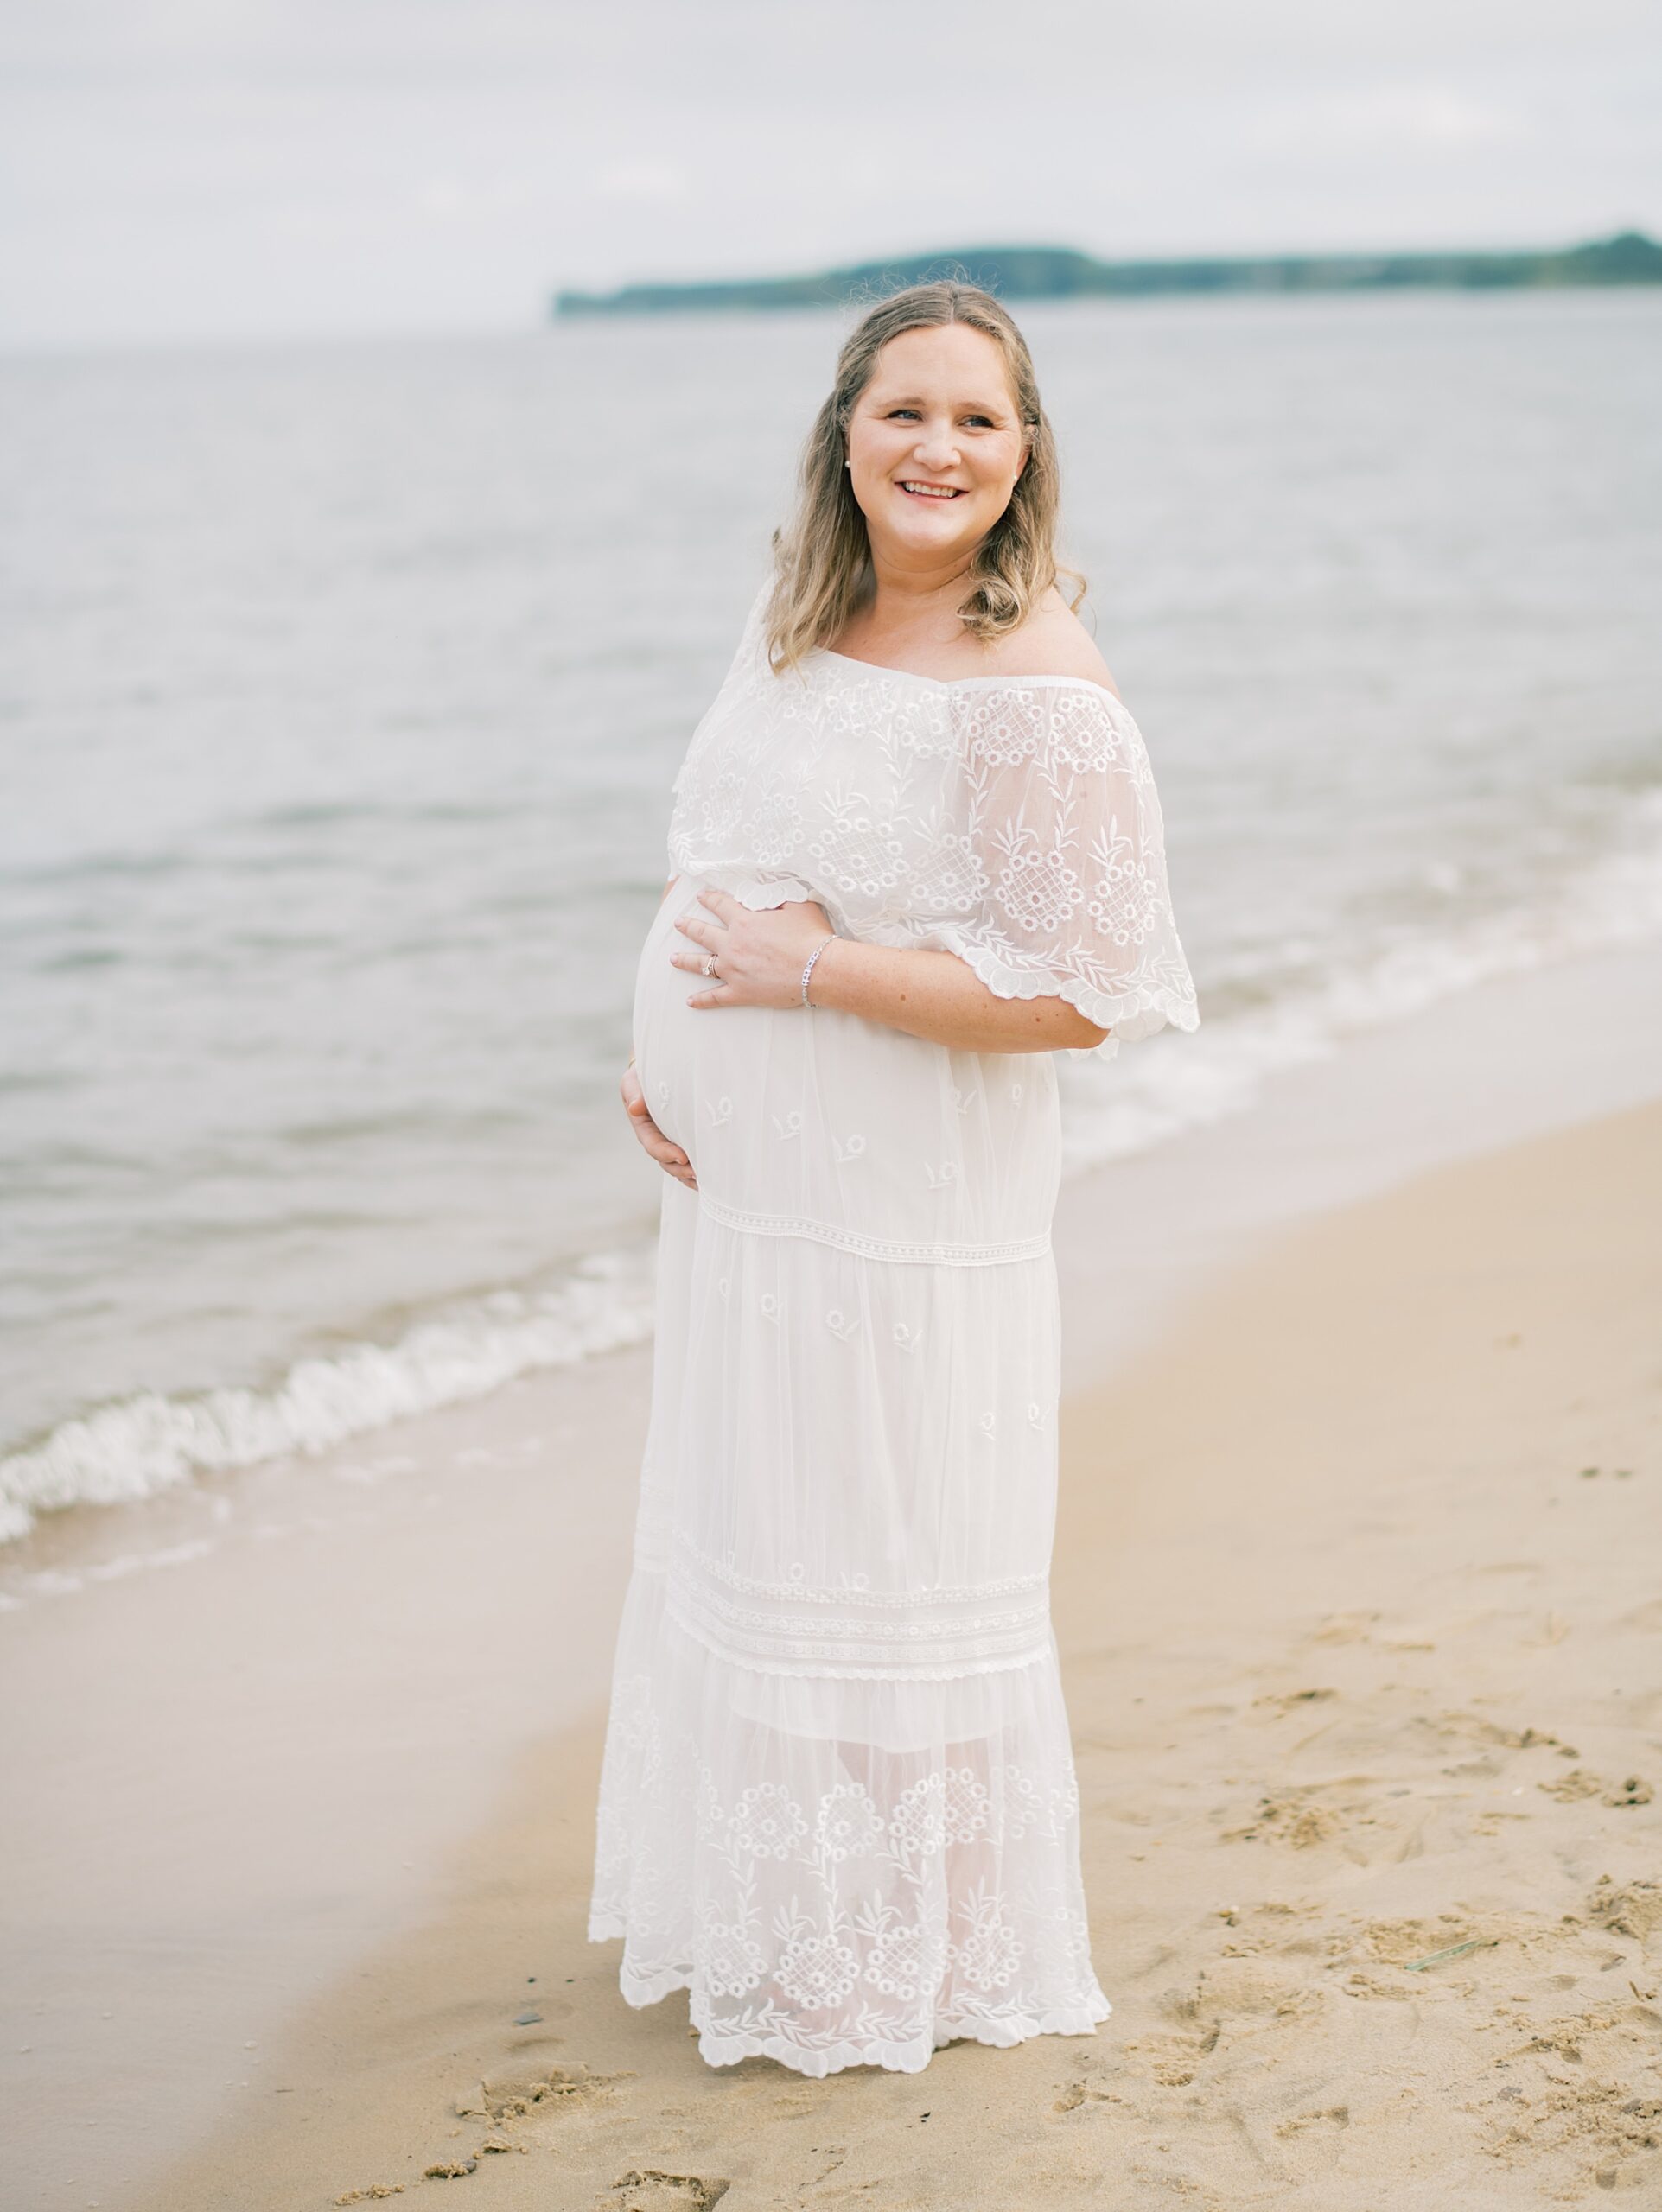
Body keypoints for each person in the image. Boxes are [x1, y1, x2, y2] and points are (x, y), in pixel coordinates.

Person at [588, 280, 1200, 2078]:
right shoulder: (797, 618)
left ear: (1024, 461)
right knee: (774, 1532)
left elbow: (1082, 996)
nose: (937, 448)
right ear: (842, 433)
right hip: (748, 1206)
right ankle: (799, 1927)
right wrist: (661, 1051)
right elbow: (724, 864)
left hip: (906, 1218)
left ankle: (897, 1959)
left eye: (976, 421)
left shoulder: (1043, 686)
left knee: (886, 1549)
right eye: (903, 411)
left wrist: (800, 980)